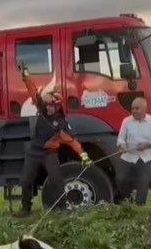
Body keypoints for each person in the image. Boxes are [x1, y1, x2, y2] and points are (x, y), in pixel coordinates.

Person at [14, 63, 92, 218]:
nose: (48, 108)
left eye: (51, 105)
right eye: (47, 104)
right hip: (33, 152)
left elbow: (72, 141)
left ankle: (62, 208)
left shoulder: (62, 124)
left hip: (49, 154)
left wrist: (84, 157)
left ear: (57, 106)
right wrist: (26, 75)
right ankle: (25, 209)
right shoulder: (41, 108)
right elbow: (32, 90)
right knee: (25, 181)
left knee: (57, 180)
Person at [112, 97, 151, 206]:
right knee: (120, 179)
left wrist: (148, 144)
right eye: (132, 109)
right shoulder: (126, 121)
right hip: (128, 156)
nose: (134, 111)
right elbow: (120, 138)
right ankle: (128, 200)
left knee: (143, 183)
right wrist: (122, 145)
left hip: (146, 157)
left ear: (145, 109)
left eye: (137, 108)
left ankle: (139, 209)